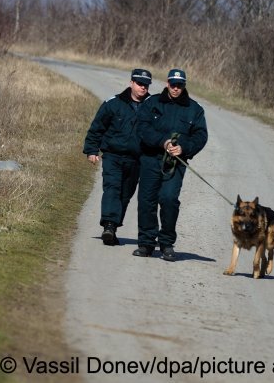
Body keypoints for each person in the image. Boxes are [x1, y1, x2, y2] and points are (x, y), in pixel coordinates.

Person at [134, 68, 208, 261]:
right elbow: (142, 127)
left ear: (184, 86)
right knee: (146, 200)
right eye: (173, 84)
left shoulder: (195, 109)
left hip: (175, 163)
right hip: (151, 158)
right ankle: (146, 243)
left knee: (168, 199)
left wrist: (184, 148)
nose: (176, 88)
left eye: (180, 85)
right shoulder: (152, 102)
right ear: (167, 83)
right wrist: (162, 142)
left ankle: (166, 243)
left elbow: (201, 135)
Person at [83, 68, 153, 245]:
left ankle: (113, 227)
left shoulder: (153, 107)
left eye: (146, 85)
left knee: (125, 195)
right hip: (113, 156)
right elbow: (97, 127)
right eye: (139, 84)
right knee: (112, 188)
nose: (143, 88)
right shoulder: (113, 103)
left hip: (137, 159)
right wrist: (92, 150)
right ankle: (109, 225)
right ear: (131, 83)